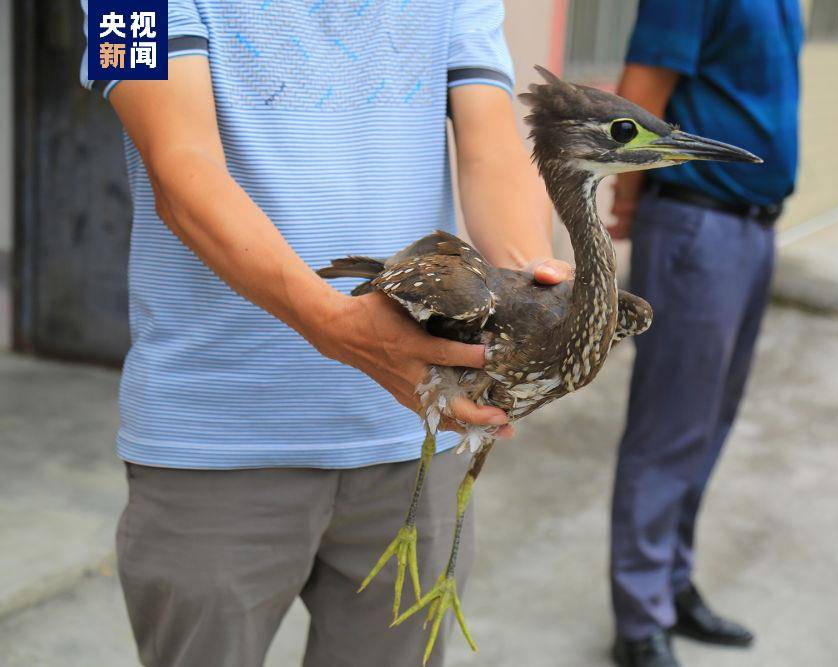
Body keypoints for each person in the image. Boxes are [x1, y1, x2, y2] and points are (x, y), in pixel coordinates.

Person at [79, 2, 570, 666]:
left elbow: (492, 145)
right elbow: (179, 170)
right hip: (212, 444)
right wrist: (336, 323)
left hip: (412, 438)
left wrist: (528, 286)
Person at [607, 2, 803, 666]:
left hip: (752, 226)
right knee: (670, 425)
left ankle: (669, 581)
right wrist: (630, 201)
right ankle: (639, 618)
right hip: (698, 222)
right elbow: (638, 96)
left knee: (709, 419)